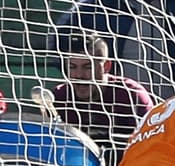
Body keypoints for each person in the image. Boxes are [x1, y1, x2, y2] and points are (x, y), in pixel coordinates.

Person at [50, 31, 155, 159]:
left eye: (87, 67)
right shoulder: (58, 98)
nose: (79, 75)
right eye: (72, 67)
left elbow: (152, 143)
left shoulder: (131, 95)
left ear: (106, 66)